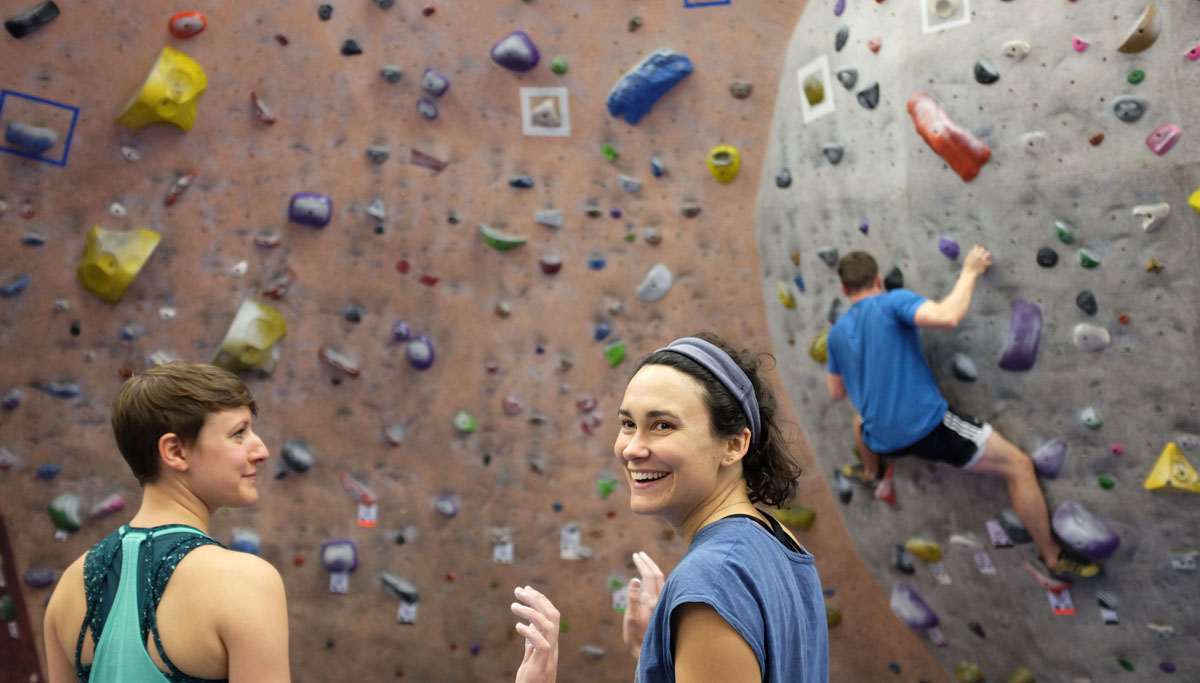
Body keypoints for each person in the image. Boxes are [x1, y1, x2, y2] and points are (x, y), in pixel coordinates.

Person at [512, 333, 830, 683]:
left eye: (662, 425)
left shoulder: (711, 581)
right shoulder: (776, 540)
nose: (632, 449)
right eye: (628, 424)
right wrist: (663, 652)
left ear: (735, 444)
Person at [824, 247, 1099, 579]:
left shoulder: (836, 334)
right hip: (929, 429)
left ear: (844, 290)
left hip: (883, 440)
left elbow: (836, 392)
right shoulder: (891, 302)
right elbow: (947, 317)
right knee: (1019, 467)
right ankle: (1053, 558)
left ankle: (873, 473)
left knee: (859, 418)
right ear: (878, 281)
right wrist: (970, 270)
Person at [42, 361, 290, 683]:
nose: (262, 451)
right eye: (239, 433)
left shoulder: (68, 588)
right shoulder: (246, 582)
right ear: (175, 451)